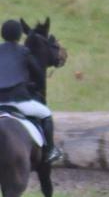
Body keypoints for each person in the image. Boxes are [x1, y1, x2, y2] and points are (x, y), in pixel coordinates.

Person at [0, 19, 63, 163]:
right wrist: (32, 87)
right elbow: (39, 77)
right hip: (18, 101)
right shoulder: (24, 52)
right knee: (46, 114)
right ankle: (50, 151)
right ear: (18, 35)